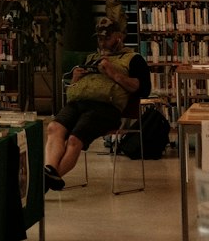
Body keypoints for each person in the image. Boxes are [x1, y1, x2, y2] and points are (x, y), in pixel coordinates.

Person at [44, 17, 150, 191]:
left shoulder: (134, 59)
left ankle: (46, 182)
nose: (102, 42)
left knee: (74, 138)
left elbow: (142, 89)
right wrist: (76, 79)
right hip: (78, 102)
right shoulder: (91, 57)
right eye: (100, 38)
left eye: (106, 38)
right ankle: (50, 172)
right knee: (54, 128)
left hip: (106, 108)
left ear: (119, 36)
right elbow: (74, 87)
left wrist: (113, 73)